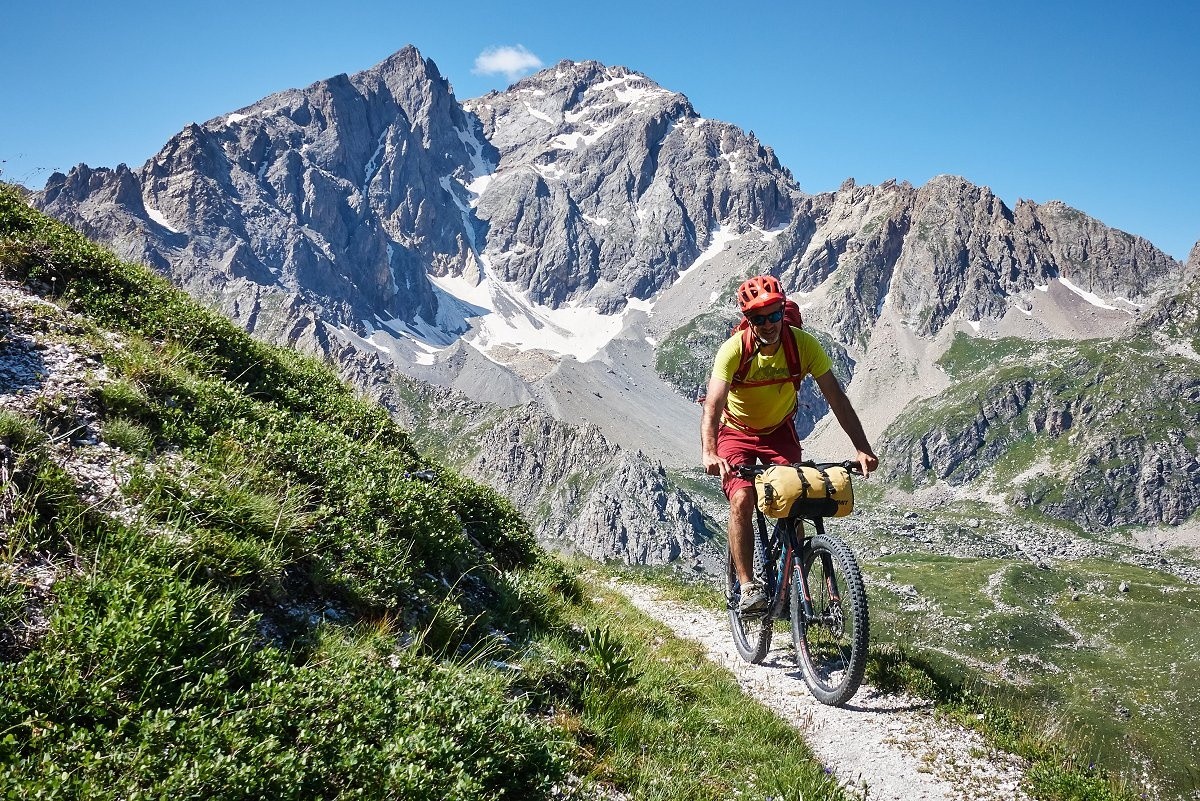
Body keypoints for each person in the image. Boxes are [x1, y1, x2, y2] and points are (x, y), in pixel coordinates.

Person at [700, 275, 878, 614]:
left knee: (797, 498)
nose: (768, 324)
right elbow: (713, 405)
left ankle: (788, 585)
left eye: (773, 314)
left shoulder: (804, 345)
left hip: (779, 432)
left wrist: (862, 446)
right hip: (736, 432)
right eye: (758, 317)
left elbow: (837, 399)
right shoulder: (734, 350)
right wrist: (710, 451)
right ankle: (748, 585)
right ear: (748, 320)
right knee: (742, 497)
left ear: (783, 310)